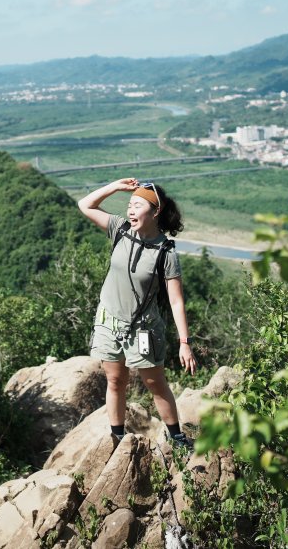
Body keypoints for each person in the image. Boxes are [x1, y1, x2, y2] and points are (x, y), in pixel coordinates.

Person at [77, 177, 196, 448]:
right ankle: (117, 436)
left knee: (155, 383)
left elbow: (177, 301)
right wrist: (115, 187)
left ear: (155, 212)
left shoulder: (165, 253)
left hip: (142, 327)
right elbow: (85, 205)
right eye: (129, 205)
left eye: (138, 205)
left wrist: (184, 343)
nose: (130, 210)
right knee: (116, 380)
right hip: (108, 321)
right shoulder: (119, 230)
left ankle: (176, 437)